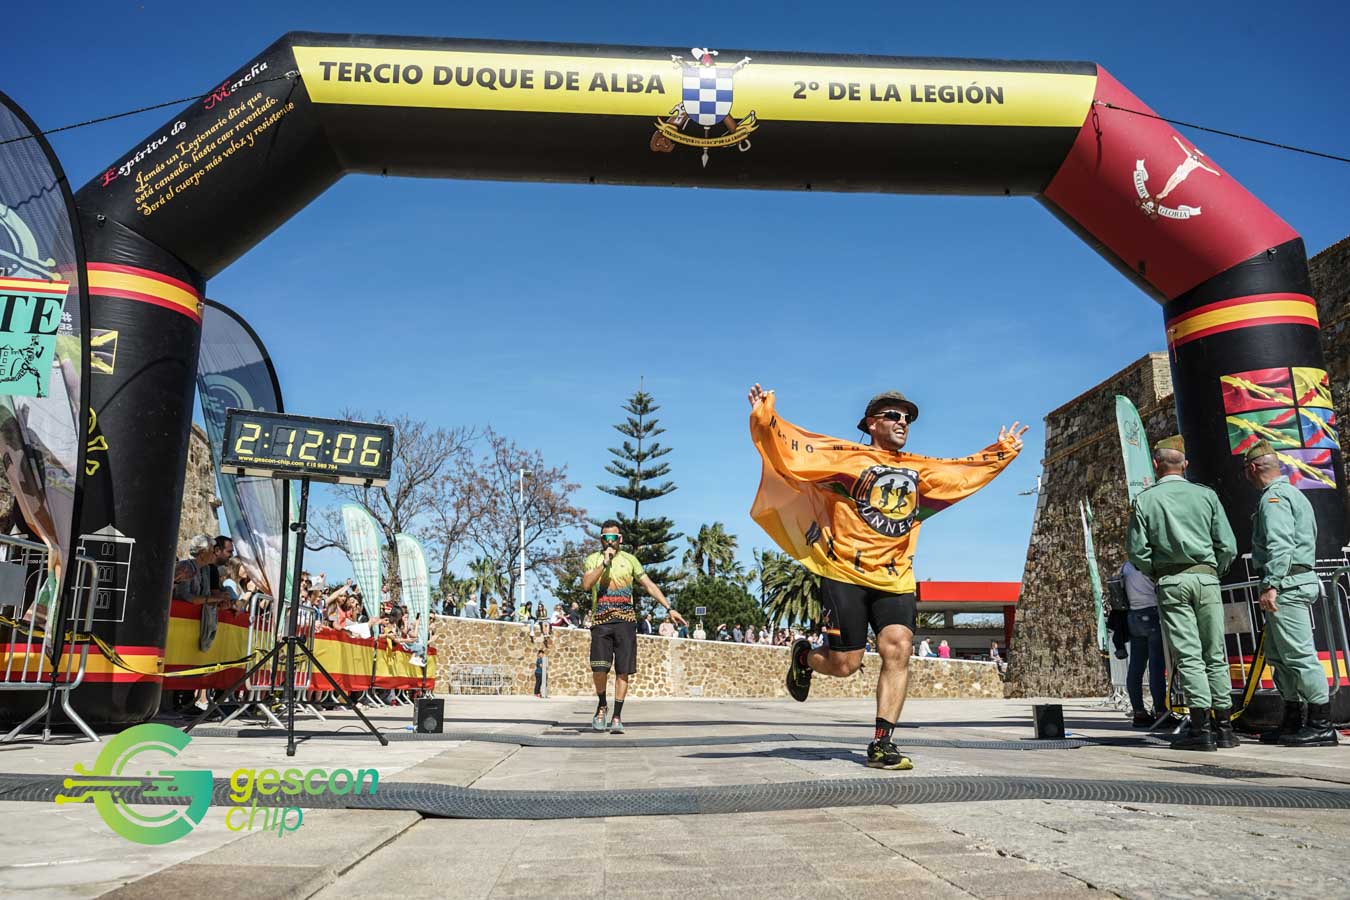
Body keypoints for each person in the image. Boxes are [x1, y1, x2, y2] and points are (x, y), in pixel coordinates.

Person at [751, 384, 1024, 770]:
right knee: (845, 665)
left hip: (896, 576)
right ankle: (805, 657)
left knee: (899, 647)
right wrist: (765, 416)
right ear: (871, 423)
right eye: (893, 415)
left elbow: (962, 473)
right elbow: (790, 451)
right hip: (844, 571)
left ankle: (882, 743)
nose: (902, 422)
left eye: (907, 417)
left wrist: (1001, 452)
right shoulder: (844, 458)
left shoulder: (918, 468)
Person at [1127, 435, 1237, 751]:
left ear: (1156, 465)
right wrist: (1213, 570)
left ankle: (1201, 730)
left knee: (1189, 655)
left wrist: (1158, 572)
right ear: (1185, 464)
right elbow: (1227, 545)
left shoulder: (1145, 500)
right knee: (1214, 652)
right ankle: (1225, 728)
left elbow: (1137, 552)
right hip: (1207, 578)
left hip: (1172, 581)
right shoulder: (1206, 496)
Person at [1244, 440, 1338, 747]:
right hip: (1290, 583)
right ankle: (1293, 719)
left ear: (1253, 468)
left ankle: (1321, 724)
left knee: (1298, 655)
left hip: (1287, 585)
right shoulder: (1290, 494)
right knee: (1279, 656)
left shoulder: (1274, 498)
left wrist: (1271, 583)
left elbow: (1280, 543)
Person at [580, 520, 687, 734]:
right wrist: (605, 563)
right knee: (599, 668)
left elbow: (649, 585)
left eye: (614, 538)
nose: (610, 542)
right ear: (601, 539)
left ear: (620, 539)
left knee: (623, 671)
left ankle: (617, 716)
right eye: (606, 538)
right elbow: (586, 584)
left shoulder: (630, 560)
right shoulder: (593, 559)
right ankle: (602, 705)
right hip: (601, 621)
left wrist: (669, 608)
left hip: (625, 622)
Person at [1120, 560, 1167, 727]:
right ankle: (1160, 711)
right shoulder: (1149, 563)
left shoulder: (1126, 566)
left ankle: (1138, 712)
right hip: (1152, 613)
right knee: (1156, 666)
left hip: (1133, 616)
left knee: (1136, 667)